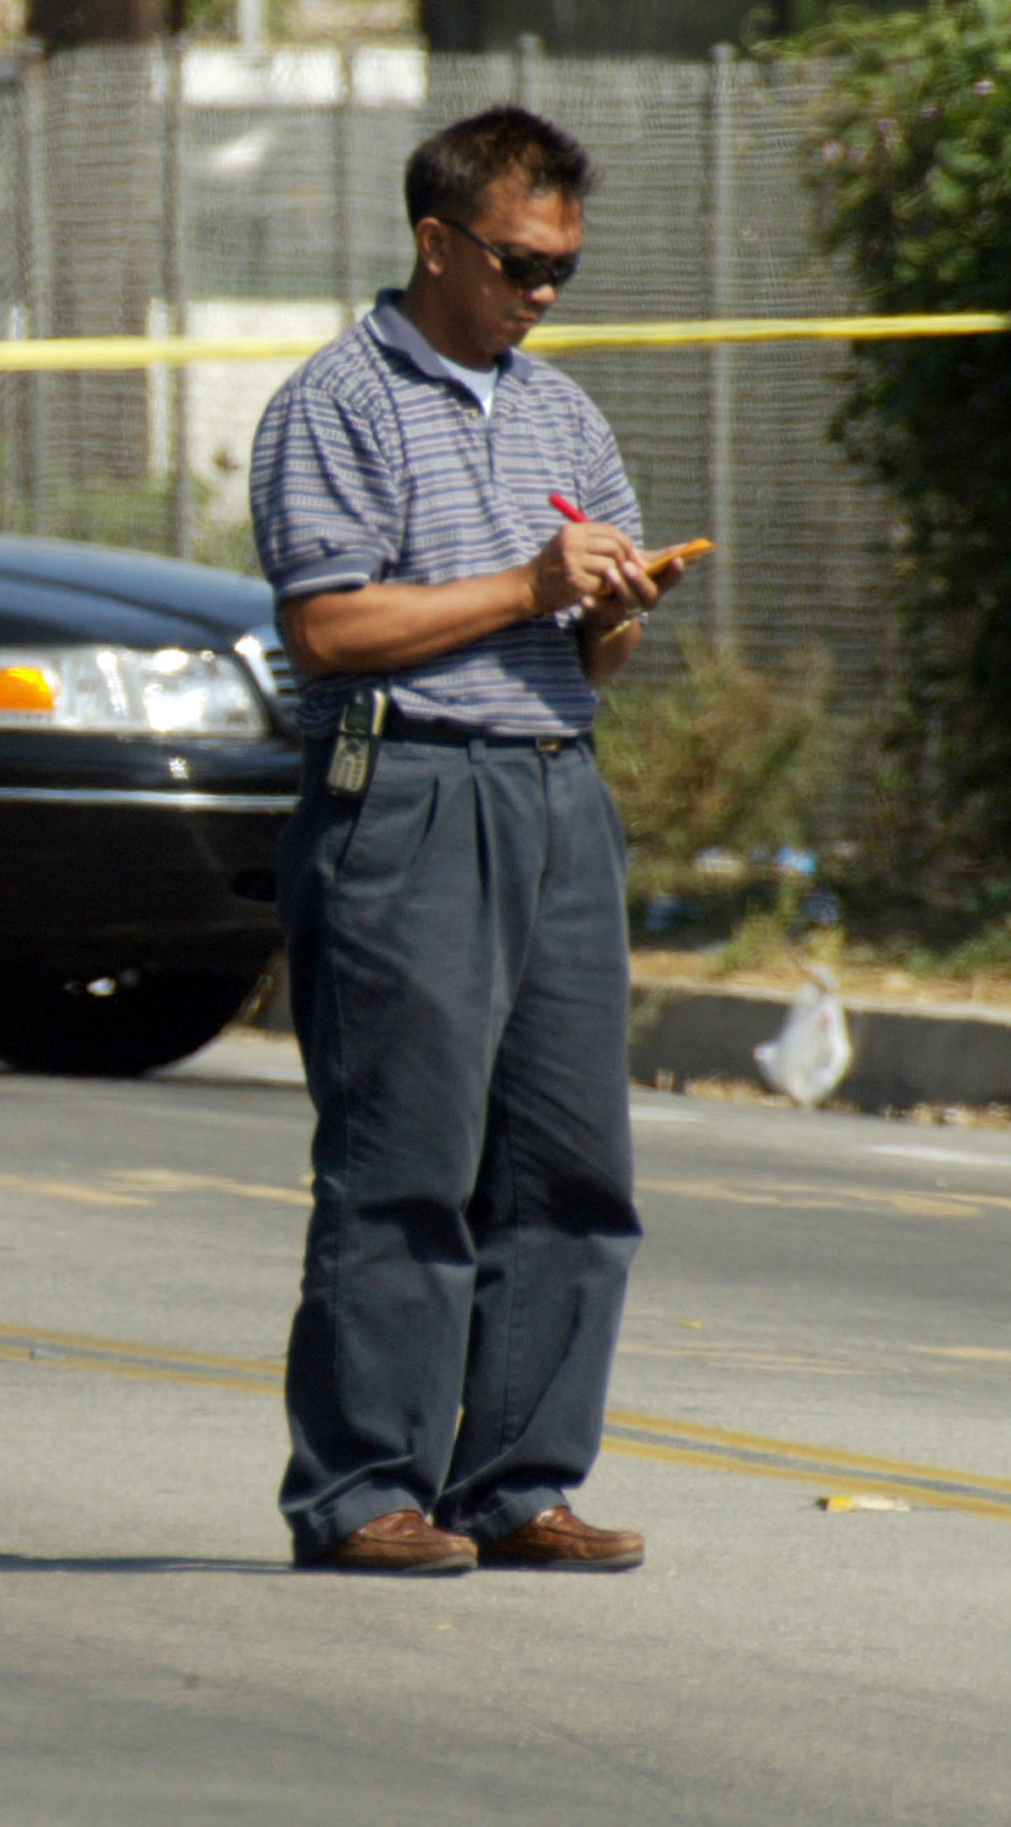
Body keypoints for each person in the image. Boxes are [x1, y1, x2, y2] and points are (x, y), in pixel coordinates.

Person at [248, 107, 682, 1575]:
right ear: (438, 241)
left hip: (555, 789)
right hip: (413, 793)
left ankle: (516, 1480)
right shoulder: (337, 403)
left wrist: (614, 606)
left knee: (570, 1165)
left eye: (563, 266)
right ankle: (364, 1484)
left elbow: (590, 654)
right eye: (518, 262)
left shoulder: (561, 413)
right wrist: (520, 583)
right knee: (403, 1159)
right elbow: (328, 625)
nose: (542, 292)